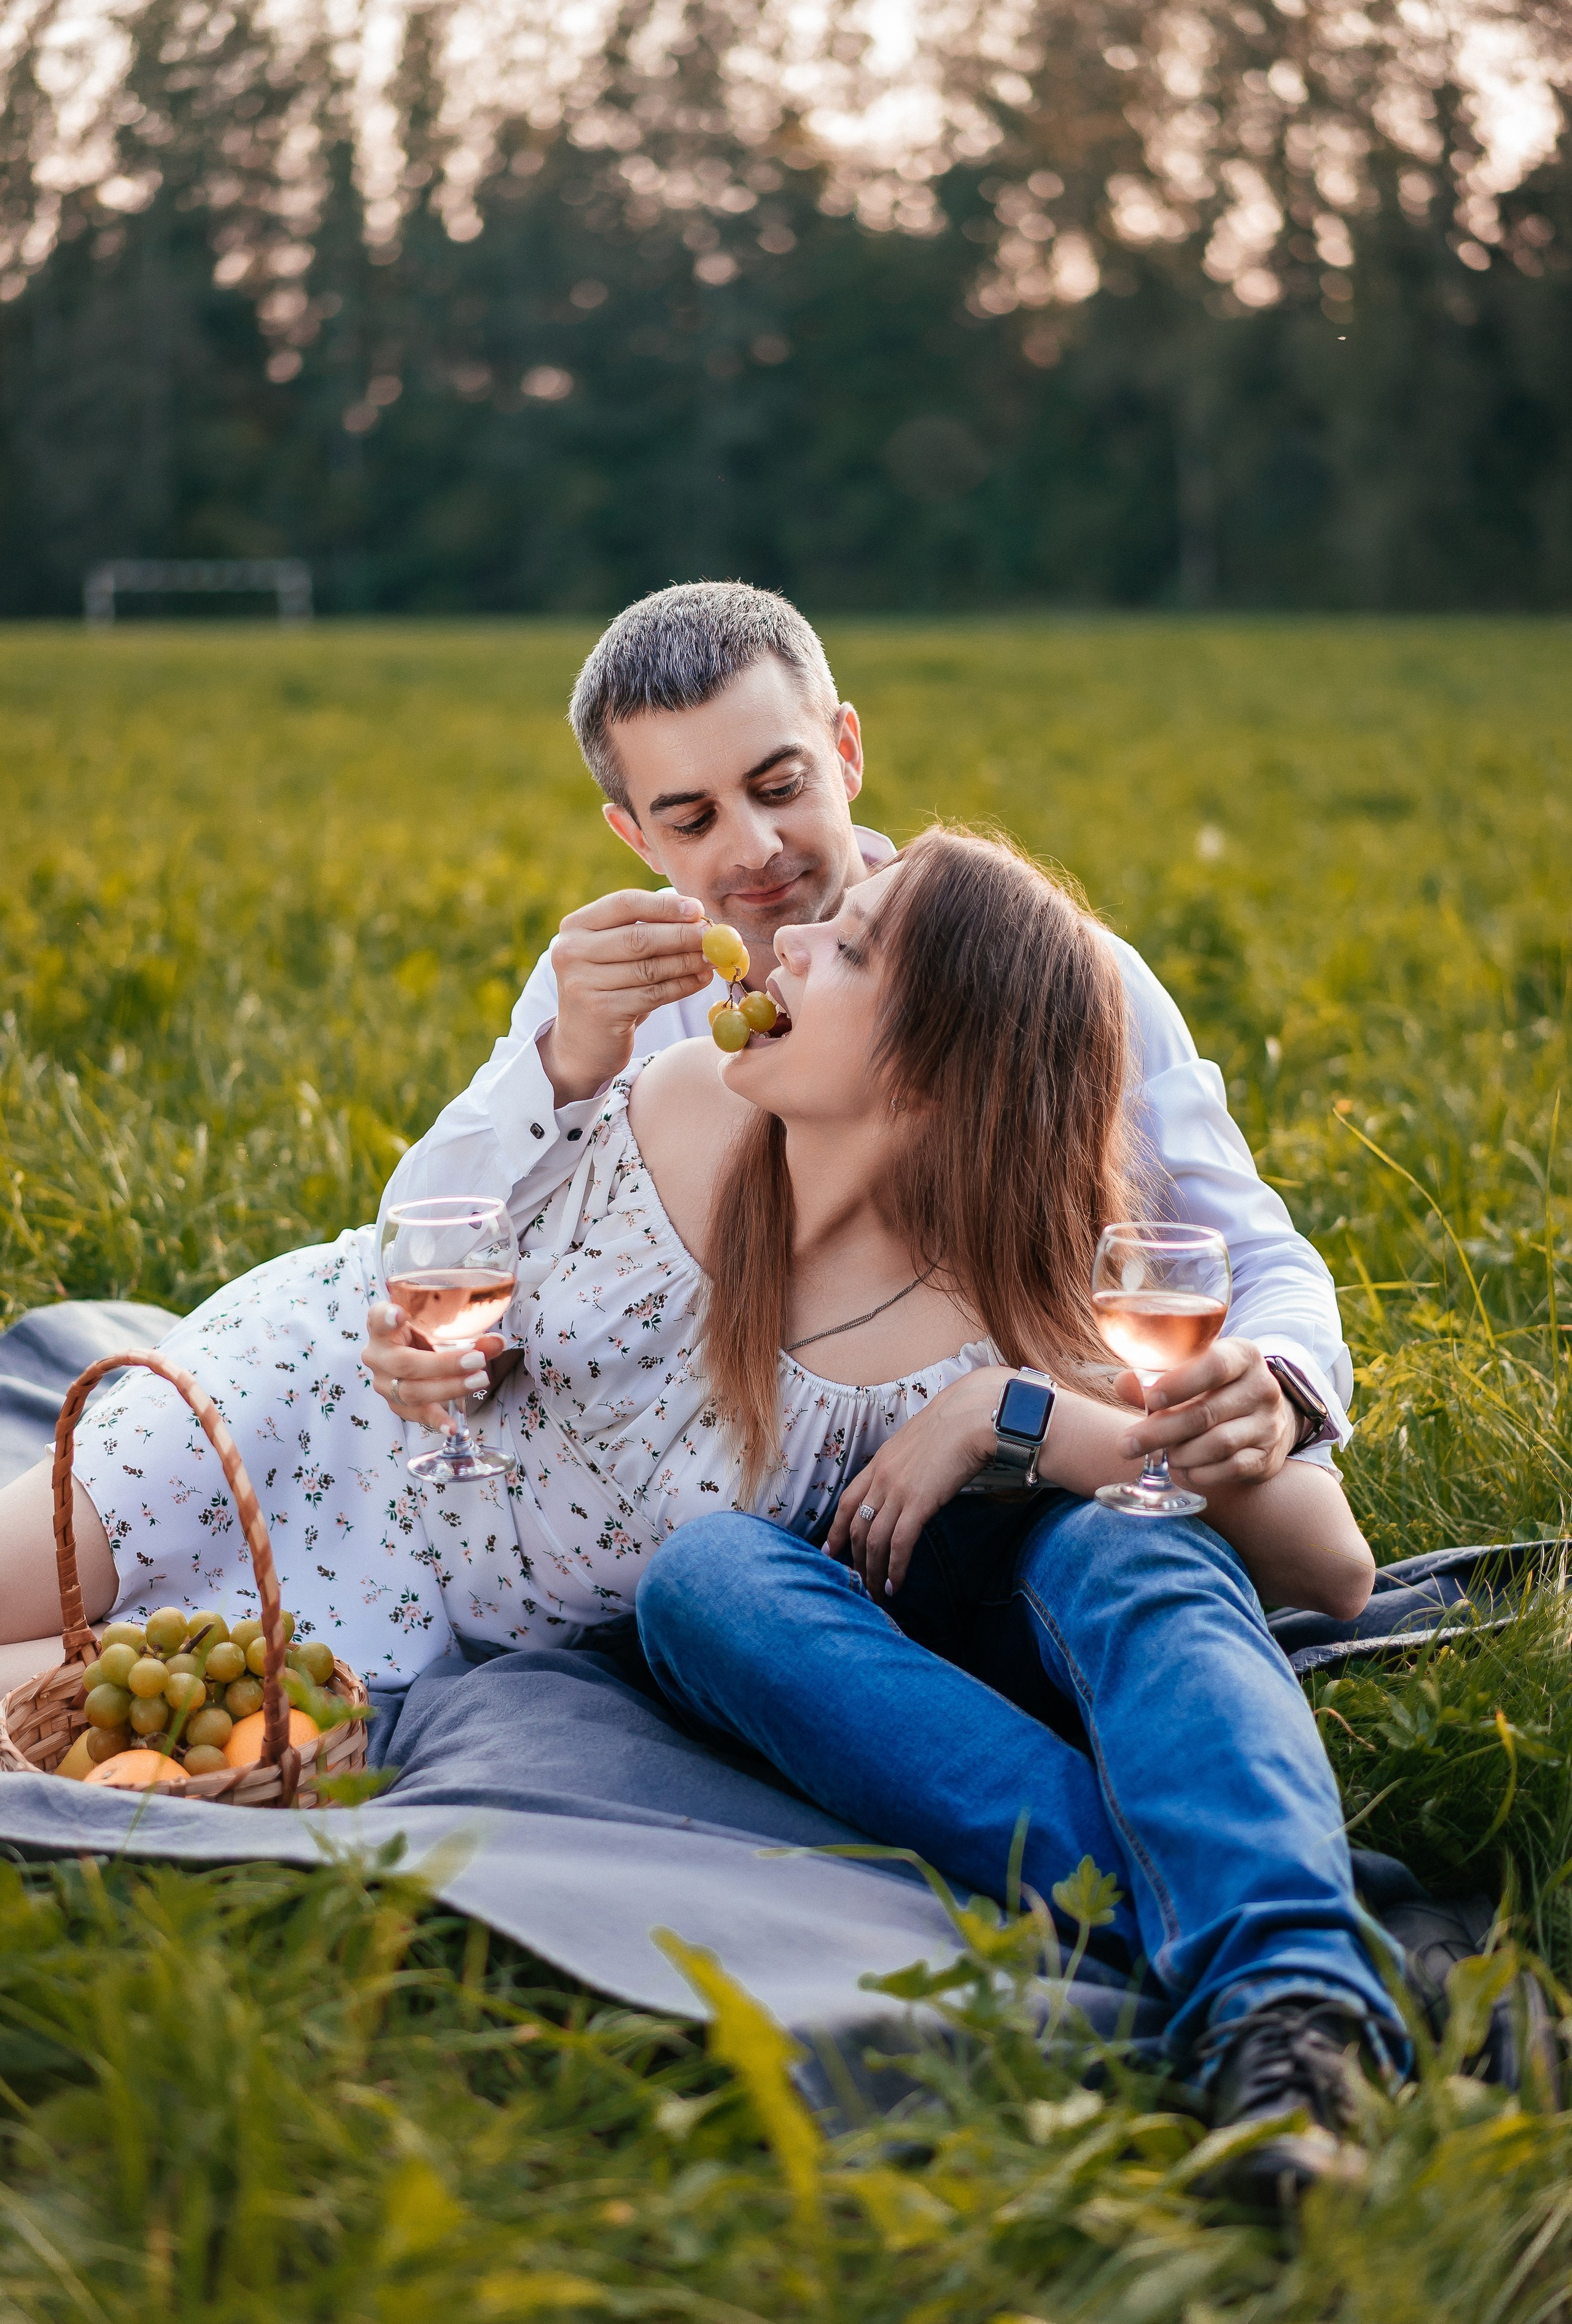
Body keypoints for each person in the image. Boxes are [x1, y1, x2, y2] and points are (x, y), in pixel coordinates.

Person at [0, 824, 1393, 2196]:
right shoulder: (681, 1102)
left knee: (106, 1711)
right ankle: (1225, 1915)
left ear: (928, 1068)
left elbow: (1331, 1567)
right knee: (35, 1584)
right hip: (317, 1411)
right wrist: (416, 1349)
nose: (784, 941)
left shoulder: (1015, 1324)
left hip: (440, 1612)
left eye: (843, 949)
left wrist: (1008, 1412)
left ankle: (1238, 1961)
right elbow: (439, 1252)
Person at [372, 580, 1350, 1499]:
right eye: (695, 817)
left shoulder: (1049, 978)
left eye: (780, 785)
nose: (752, 847)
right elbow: (435, 1242)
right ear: (636, 838)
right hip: (685, 1512)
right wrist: (562, 1066)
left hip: (989, 1490)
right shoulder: (612, 992)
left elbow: (1252, 1258)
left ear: (845, 752)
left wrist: (1272, 1386)